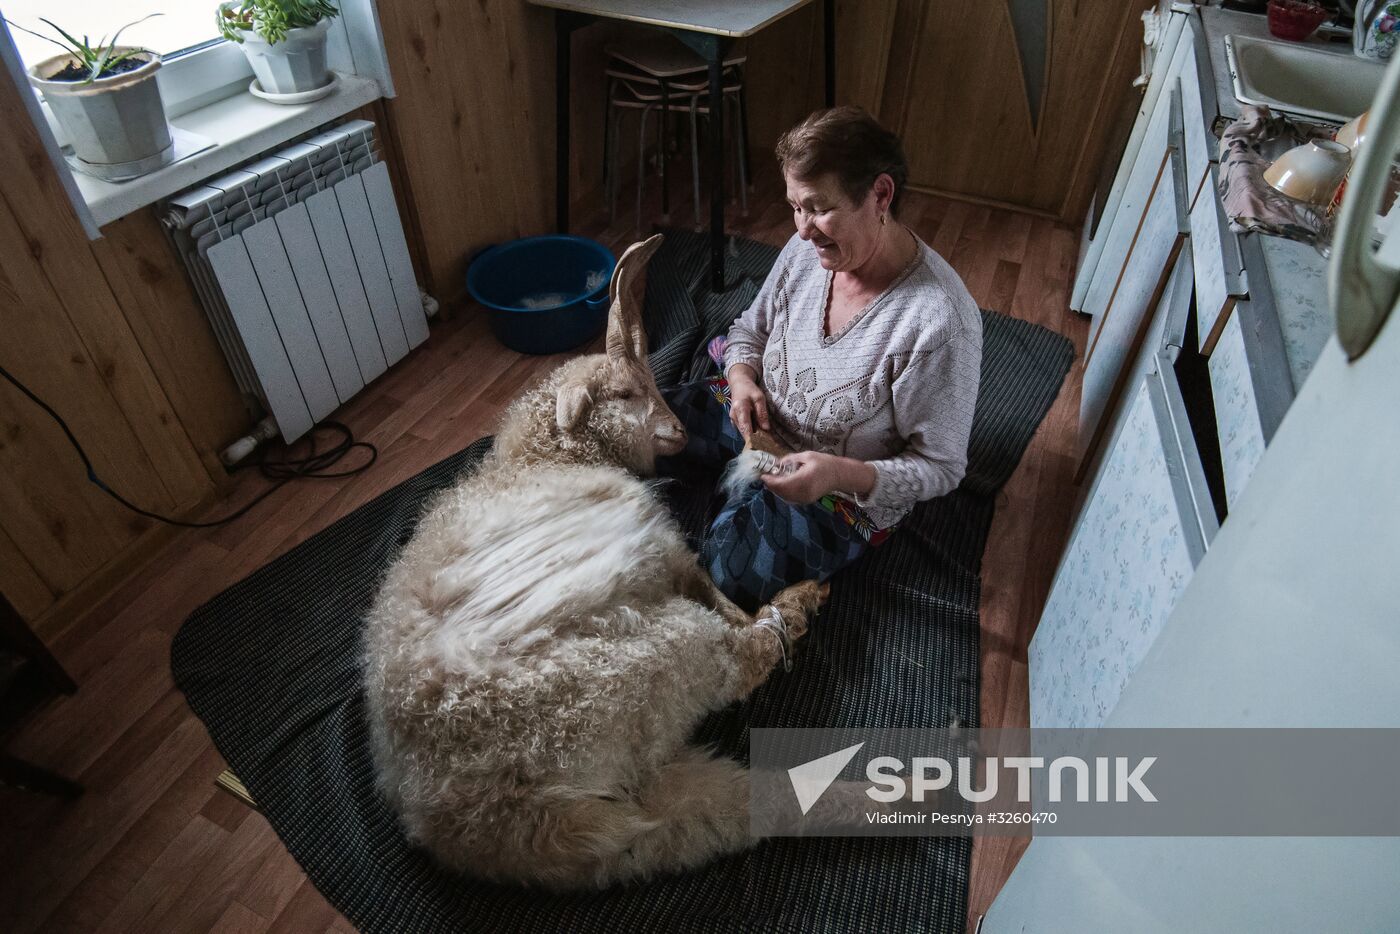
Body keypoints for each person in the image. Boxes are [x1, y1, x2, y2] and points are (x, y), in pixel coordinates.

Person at [660, 105, 983, 612]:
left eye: (818, 208)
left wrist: (835, 474)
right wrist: (742, 379)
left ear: (880, 194)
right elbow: (749, 329)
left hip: (840, 495)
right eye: (794, 206)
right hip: (756, 415)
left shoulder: (938, 323)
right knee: (631, 426)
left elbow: (940, 467)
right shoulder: (806, 249)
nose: (803, 229)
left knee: (717, 579)